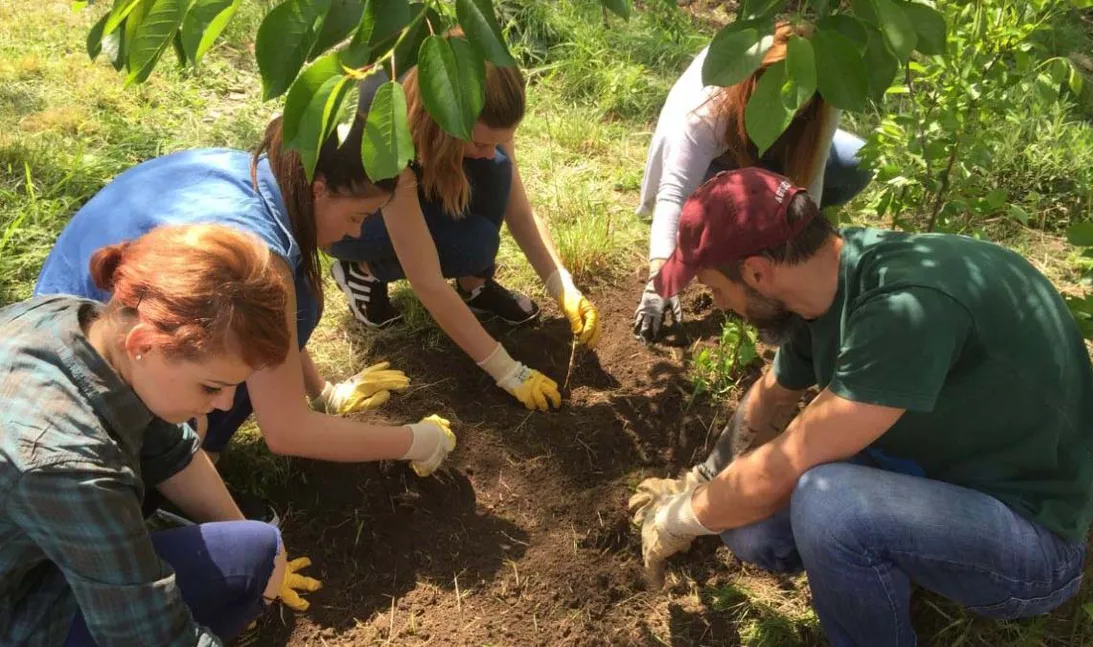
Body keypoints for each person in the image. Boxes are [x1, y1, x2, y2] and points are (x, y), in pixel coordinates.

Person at [628, 168, 1093, 645]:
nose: (717, 303)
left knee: (828, 503)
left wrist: (678, 519)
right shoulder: (822, 284)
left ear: (757, 271)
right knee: (747, 526)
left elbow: (782, 468)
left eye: (715, 289)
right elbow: (774, 393)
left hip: (1032, 533)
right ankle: (886, 566)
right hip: (942, 481)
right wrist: (705, 480)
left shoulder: (903, 308)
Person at [34, 108, 457, 498]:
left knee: (298, 298)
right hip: (86, 386)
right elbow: (287, 431)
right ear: (319, 189)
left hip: (60, 322)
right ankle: (180, 473)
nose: (354, 235)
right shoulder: (257, 254)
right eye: (357, 217)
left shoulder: (262, 172)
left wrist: (324, 392)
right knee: (282, 304)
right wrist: (413, 440)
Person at [1, 224, 326, 646]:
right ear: (143, 343)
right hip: (17, 608)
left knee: (256, 551)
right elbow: (148, 636)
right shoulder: (68, 465)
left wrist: (266, 555)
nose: (227, 404)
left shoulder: (81, 322)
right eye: (211, 386)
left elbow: (172, 450)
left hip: (29, 549)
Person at [327, 40, 600, 412]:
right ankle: (362, 270)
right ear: (444, 121)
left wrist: (561, 285)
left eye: (500, 139)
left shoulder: (486, 98)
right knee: (467, 246)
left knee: (497, 172)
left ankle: (475, 286)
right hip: (349, 222)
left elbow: (518, 209)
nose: (492, 149)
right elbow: (426, 281)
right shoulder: (391, 134)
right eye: (481, 141)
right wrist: (508, 371)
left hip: (417, 180)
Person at [633, 22, 873, 344]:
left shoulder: (821, 100)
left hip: (773, 151)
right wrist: (659, 282)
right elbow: (675, 194)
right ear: (752, 88)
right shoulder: (709, 104)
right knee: (712, 215)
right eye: (774, 104)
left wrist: (801, 259)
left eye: (796, 110)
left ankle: (761, 244)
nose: (785, 114)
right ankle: (732, 266)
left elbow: (811, 182)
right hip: (721, 158)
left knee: (856, 161)